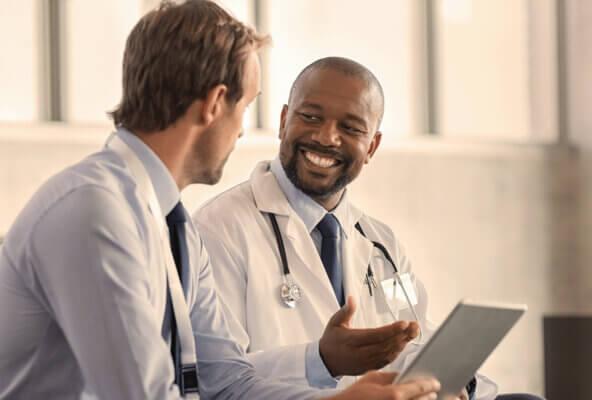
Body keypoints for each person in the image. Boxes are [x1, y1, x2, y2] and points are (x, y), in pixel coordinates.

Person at [0, 1, 447, 400]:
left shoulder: (174, 228)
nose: (240, 131)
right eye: (246, 107)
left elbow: (228, 383)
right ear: (216, 103)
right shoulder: (95, 213)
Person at [193, 57, 502, 400]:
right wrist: (320, 361)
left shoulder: (382, 245)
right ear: (283, 121)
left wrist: (459, 382)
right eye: (310, 117)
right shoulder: (219, 228)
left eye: (351, 128)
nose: (326, 137)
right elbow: (215, 377)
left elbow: (416, 339)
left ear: (371, 146)